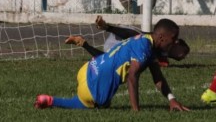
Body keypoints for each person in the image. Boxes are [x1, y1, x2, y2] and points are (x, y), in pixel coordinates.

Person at [35, 19, 190, 112]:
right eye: (174, 38)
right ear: (162, 38)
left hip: (87, 68)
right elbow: (132, 76)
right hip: (92, 88)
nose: (175, 41)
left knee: (97, 98)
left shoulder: (144, 40)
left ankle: (48, 100)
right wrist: (136, 112)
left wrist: (172, 99)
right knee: (102, 104)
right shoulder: (144, 48)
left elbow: (158, 77)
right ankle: (51, 100)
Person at [65, 16, 189, 66]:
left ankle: (82, 43)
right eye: (185, 52)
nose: (184, 56)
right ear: (178, 43)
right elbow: (135, 35)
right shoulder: (163, 42)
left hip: (115, 43)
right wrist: (109, 28)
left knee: (113, 61)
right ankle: (106, 26)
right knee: (139, 38)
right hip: (120, 34)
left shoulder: (164, 55)